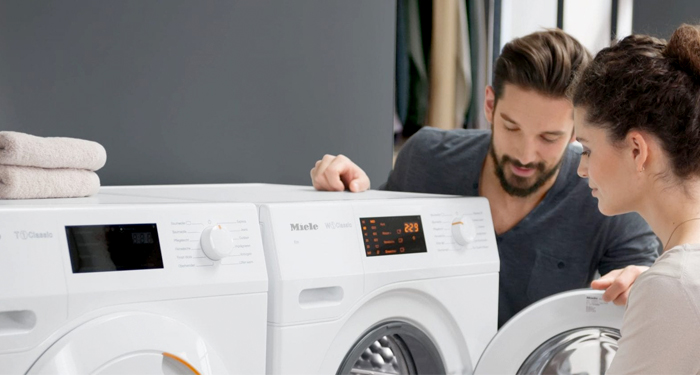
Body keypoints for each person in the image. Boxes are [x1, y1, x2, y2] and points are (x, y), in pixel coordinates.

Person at [311, 29, 661, 327]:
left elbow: (644, 292)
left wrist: (644, 285)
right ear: (490, 106)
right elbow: (369, 251)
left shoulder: (603, 194)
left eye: (548, 138)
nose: (525, 154)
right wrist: (346, 195)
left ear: (576, 131)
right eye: (511, 127)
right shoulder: (427, 159)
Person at [573, 24, 700, 374]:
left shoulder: (671, 287)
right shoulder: (675, 281)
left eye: (586, 149)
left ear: (635, 149)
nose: (581, 170)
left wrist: (661, 289)